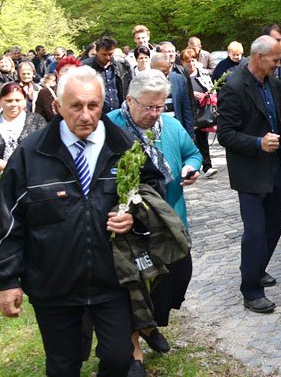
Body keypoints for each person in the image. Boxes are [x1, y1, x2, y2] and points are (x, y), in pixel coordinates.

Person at [0, 66, 141, 376]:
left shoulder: (124, 148)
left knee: (120, 358)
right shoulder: (32, 153)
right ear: (58, 106)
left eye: (93, 106)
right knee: (63, 365)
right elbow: (6, 217)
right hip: (54, 284)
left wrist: (134, 217)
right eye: (76, 106)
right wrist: (7, 279)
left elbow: (149, 197)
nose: (85, 115)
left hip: (112, 280)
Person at [107, 70, 202, 370]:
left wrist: (190, 167)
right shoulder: (109, 126)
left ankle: (150, 326)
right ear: (129, 100)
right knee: (131, 286)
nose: (153, 113)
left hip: (169, 219)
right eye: (147, 107)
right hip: (127, 226)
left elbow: (194, 153)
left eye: (159, 106)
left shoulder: (170, 126)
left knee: (176, 277)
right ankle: (134, 345)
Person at [216, 35, 281, 313]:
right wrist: (257, 143)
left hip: (276, 167)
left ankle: (257, 267)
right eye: (275, 59)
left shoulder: (275, 84)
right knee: (255, 231)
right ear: (258, 57)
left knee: (275, 226)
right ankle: (251, 290)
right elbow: (225, 135)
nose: (279, 64)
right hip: (250, 171)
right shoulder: (234, 86)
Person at [0, 82, 47, 174]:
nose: (13, 104)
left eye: (18, 100)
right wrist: (9, 166)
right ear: (0, 100)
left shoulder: (37, 120)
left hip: (32, 178)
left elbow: (47, 149)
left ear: (25, 100)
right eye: (8, 100)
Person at [182, 48, 217, 178]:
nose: (191, 63)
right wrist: (191, 94)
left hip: (202, 112)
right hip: (188, 112)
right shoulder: (181, 75)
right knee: (192, 139)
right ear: (182, 62)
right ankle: (193, 166)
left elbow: (211, 89)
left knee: (203, 139)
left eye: (193, 60)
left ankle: (208, 166)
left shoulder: (202, 74)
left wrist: (206, 95)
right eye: (187, 61)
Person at [83, 35, 131, 116]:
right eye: (104, 54)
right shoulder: (85, 67)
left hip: (119, 114)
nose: (108, 57)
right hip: (95, 114)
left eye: (110, 54)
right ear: (97, 52)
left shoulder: (121, 66)